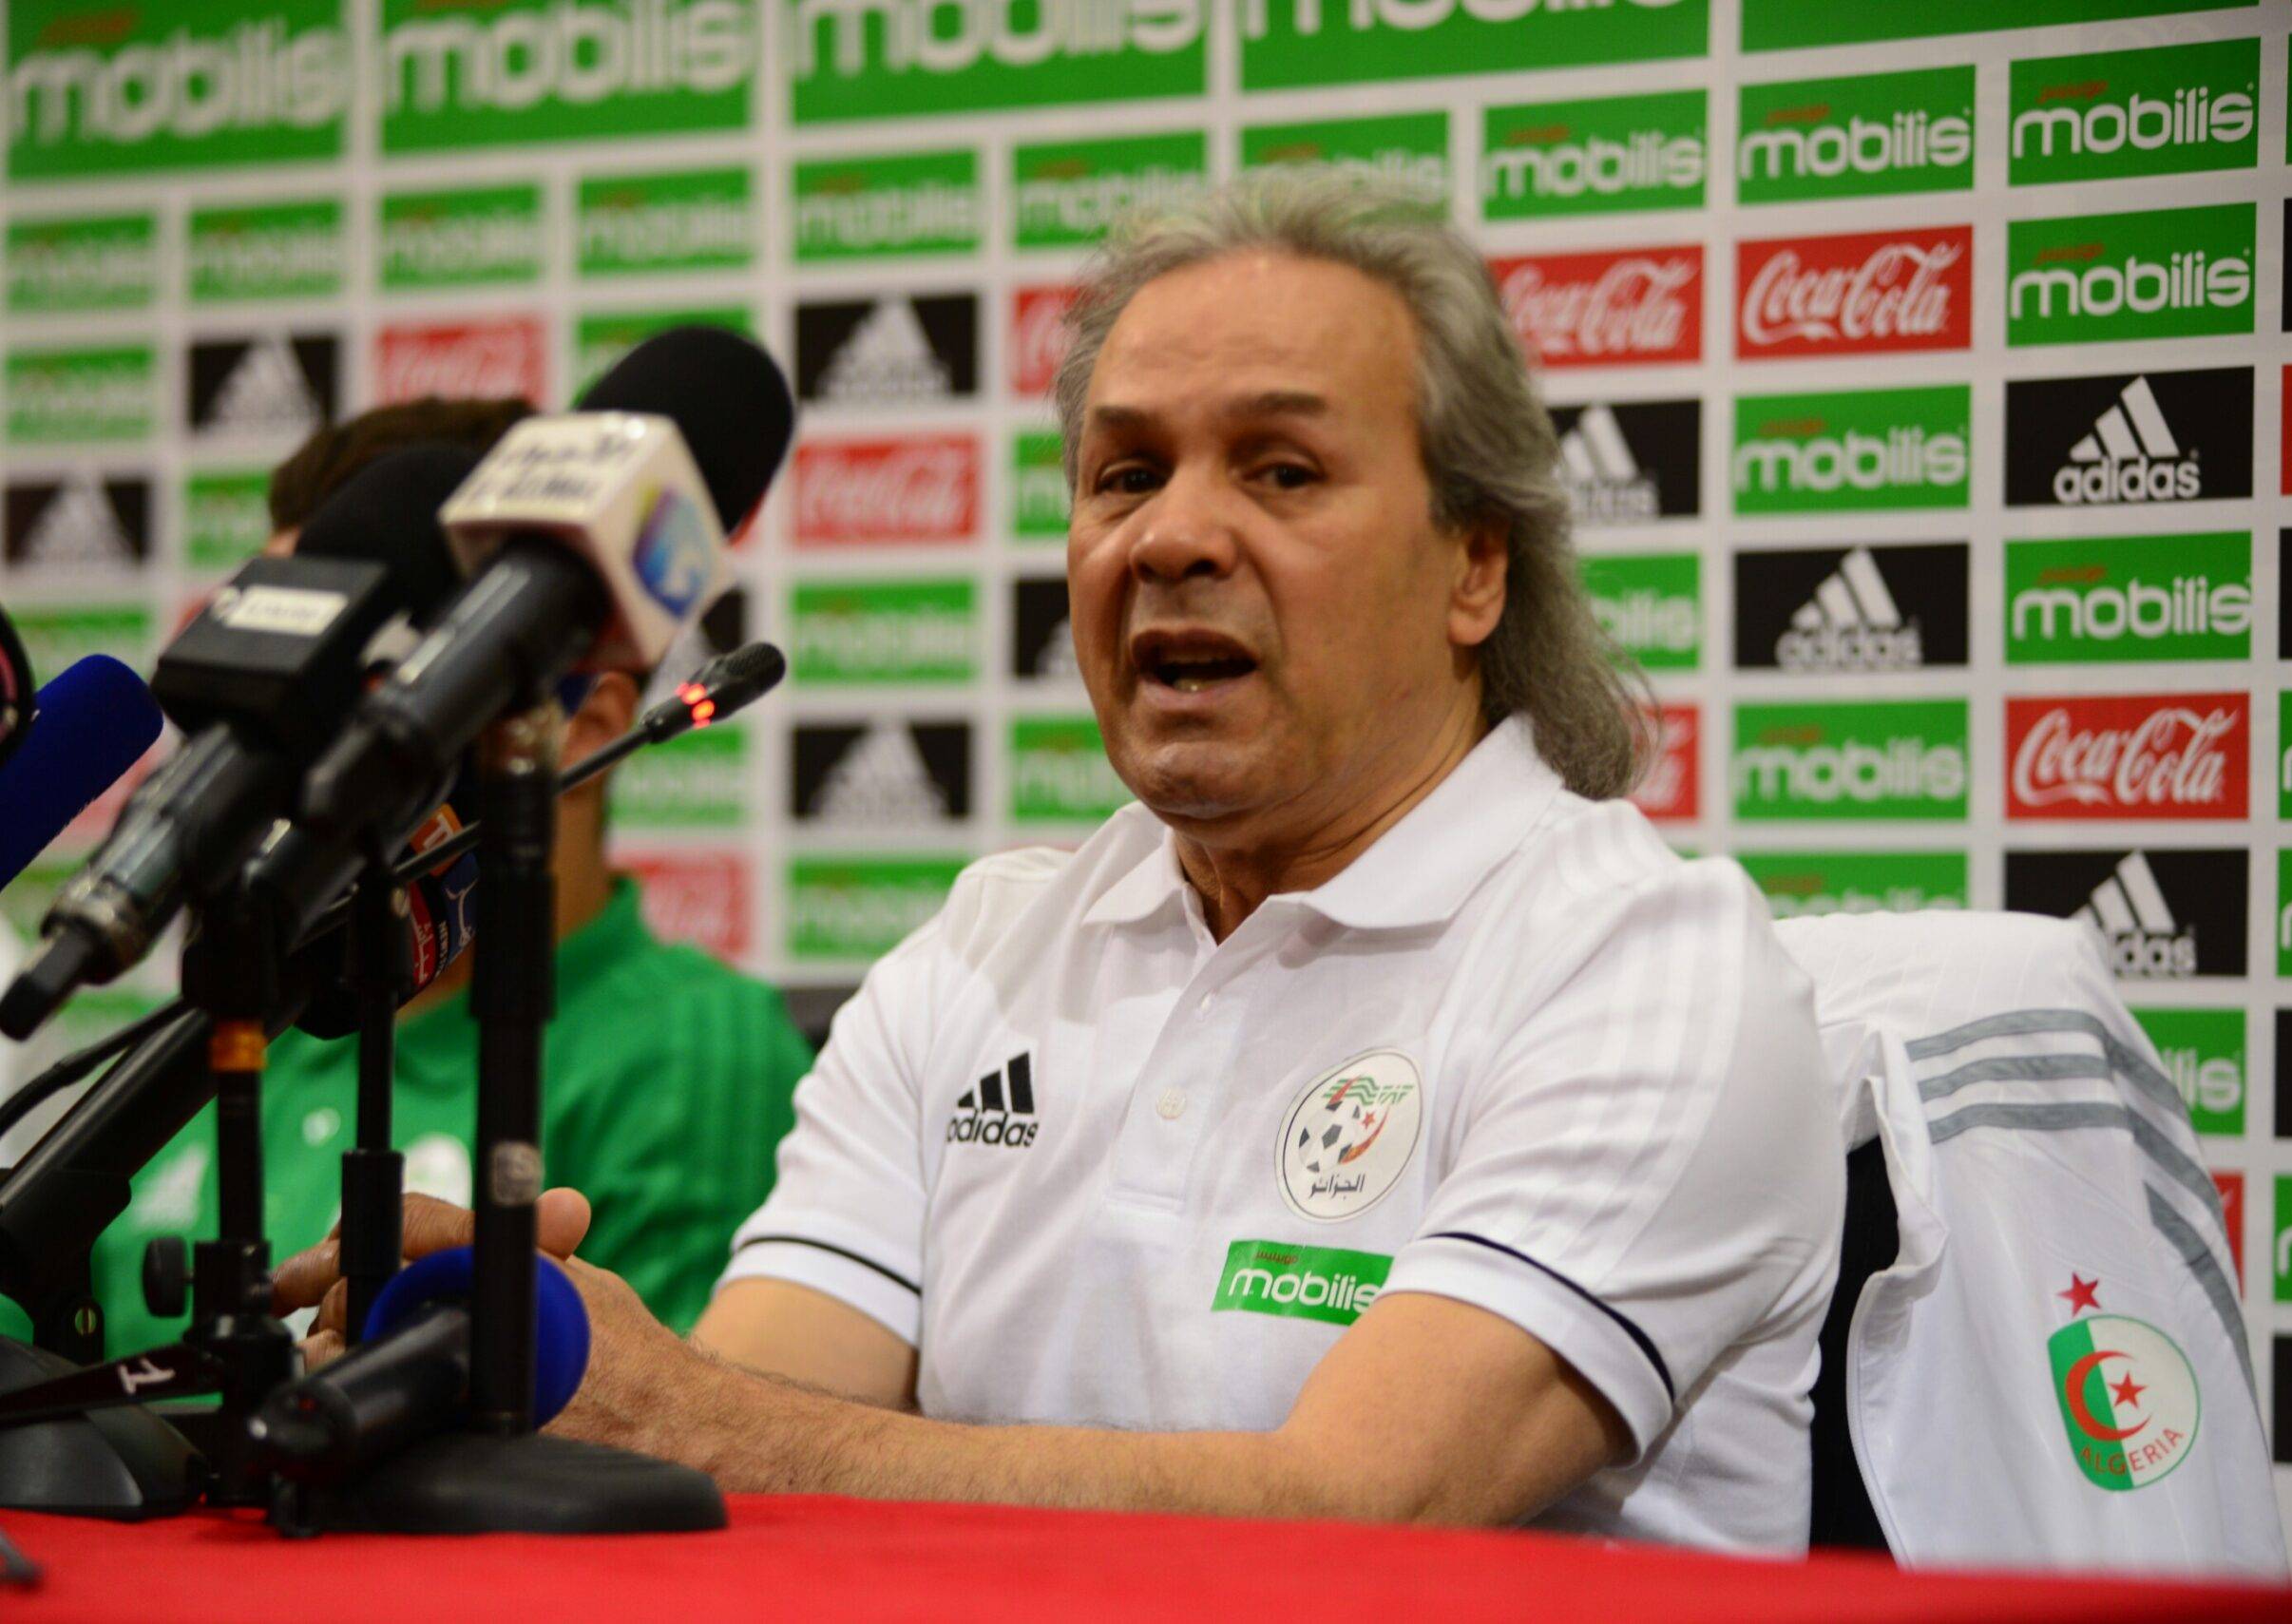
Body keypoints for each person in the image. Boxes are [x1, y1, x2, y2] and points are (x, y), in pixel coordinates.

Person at [281, 177, 1843, 1548]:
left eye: (1282, 471)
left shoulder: (1645, 957)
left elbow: (1368, 1508)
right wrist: (538, 1351)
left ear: (1474, 566)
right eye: (1125, 473)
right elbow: (757, 1401)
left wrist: (683, 1409)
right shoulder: (987, 944)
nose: (1172, 536)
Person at [68, 396, 811, 1350]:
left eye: (355, 663)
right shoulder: (246, 1004)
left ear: (578, 727)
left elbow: (666, 1440)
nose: (285, 719)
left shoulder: (688, 1051)